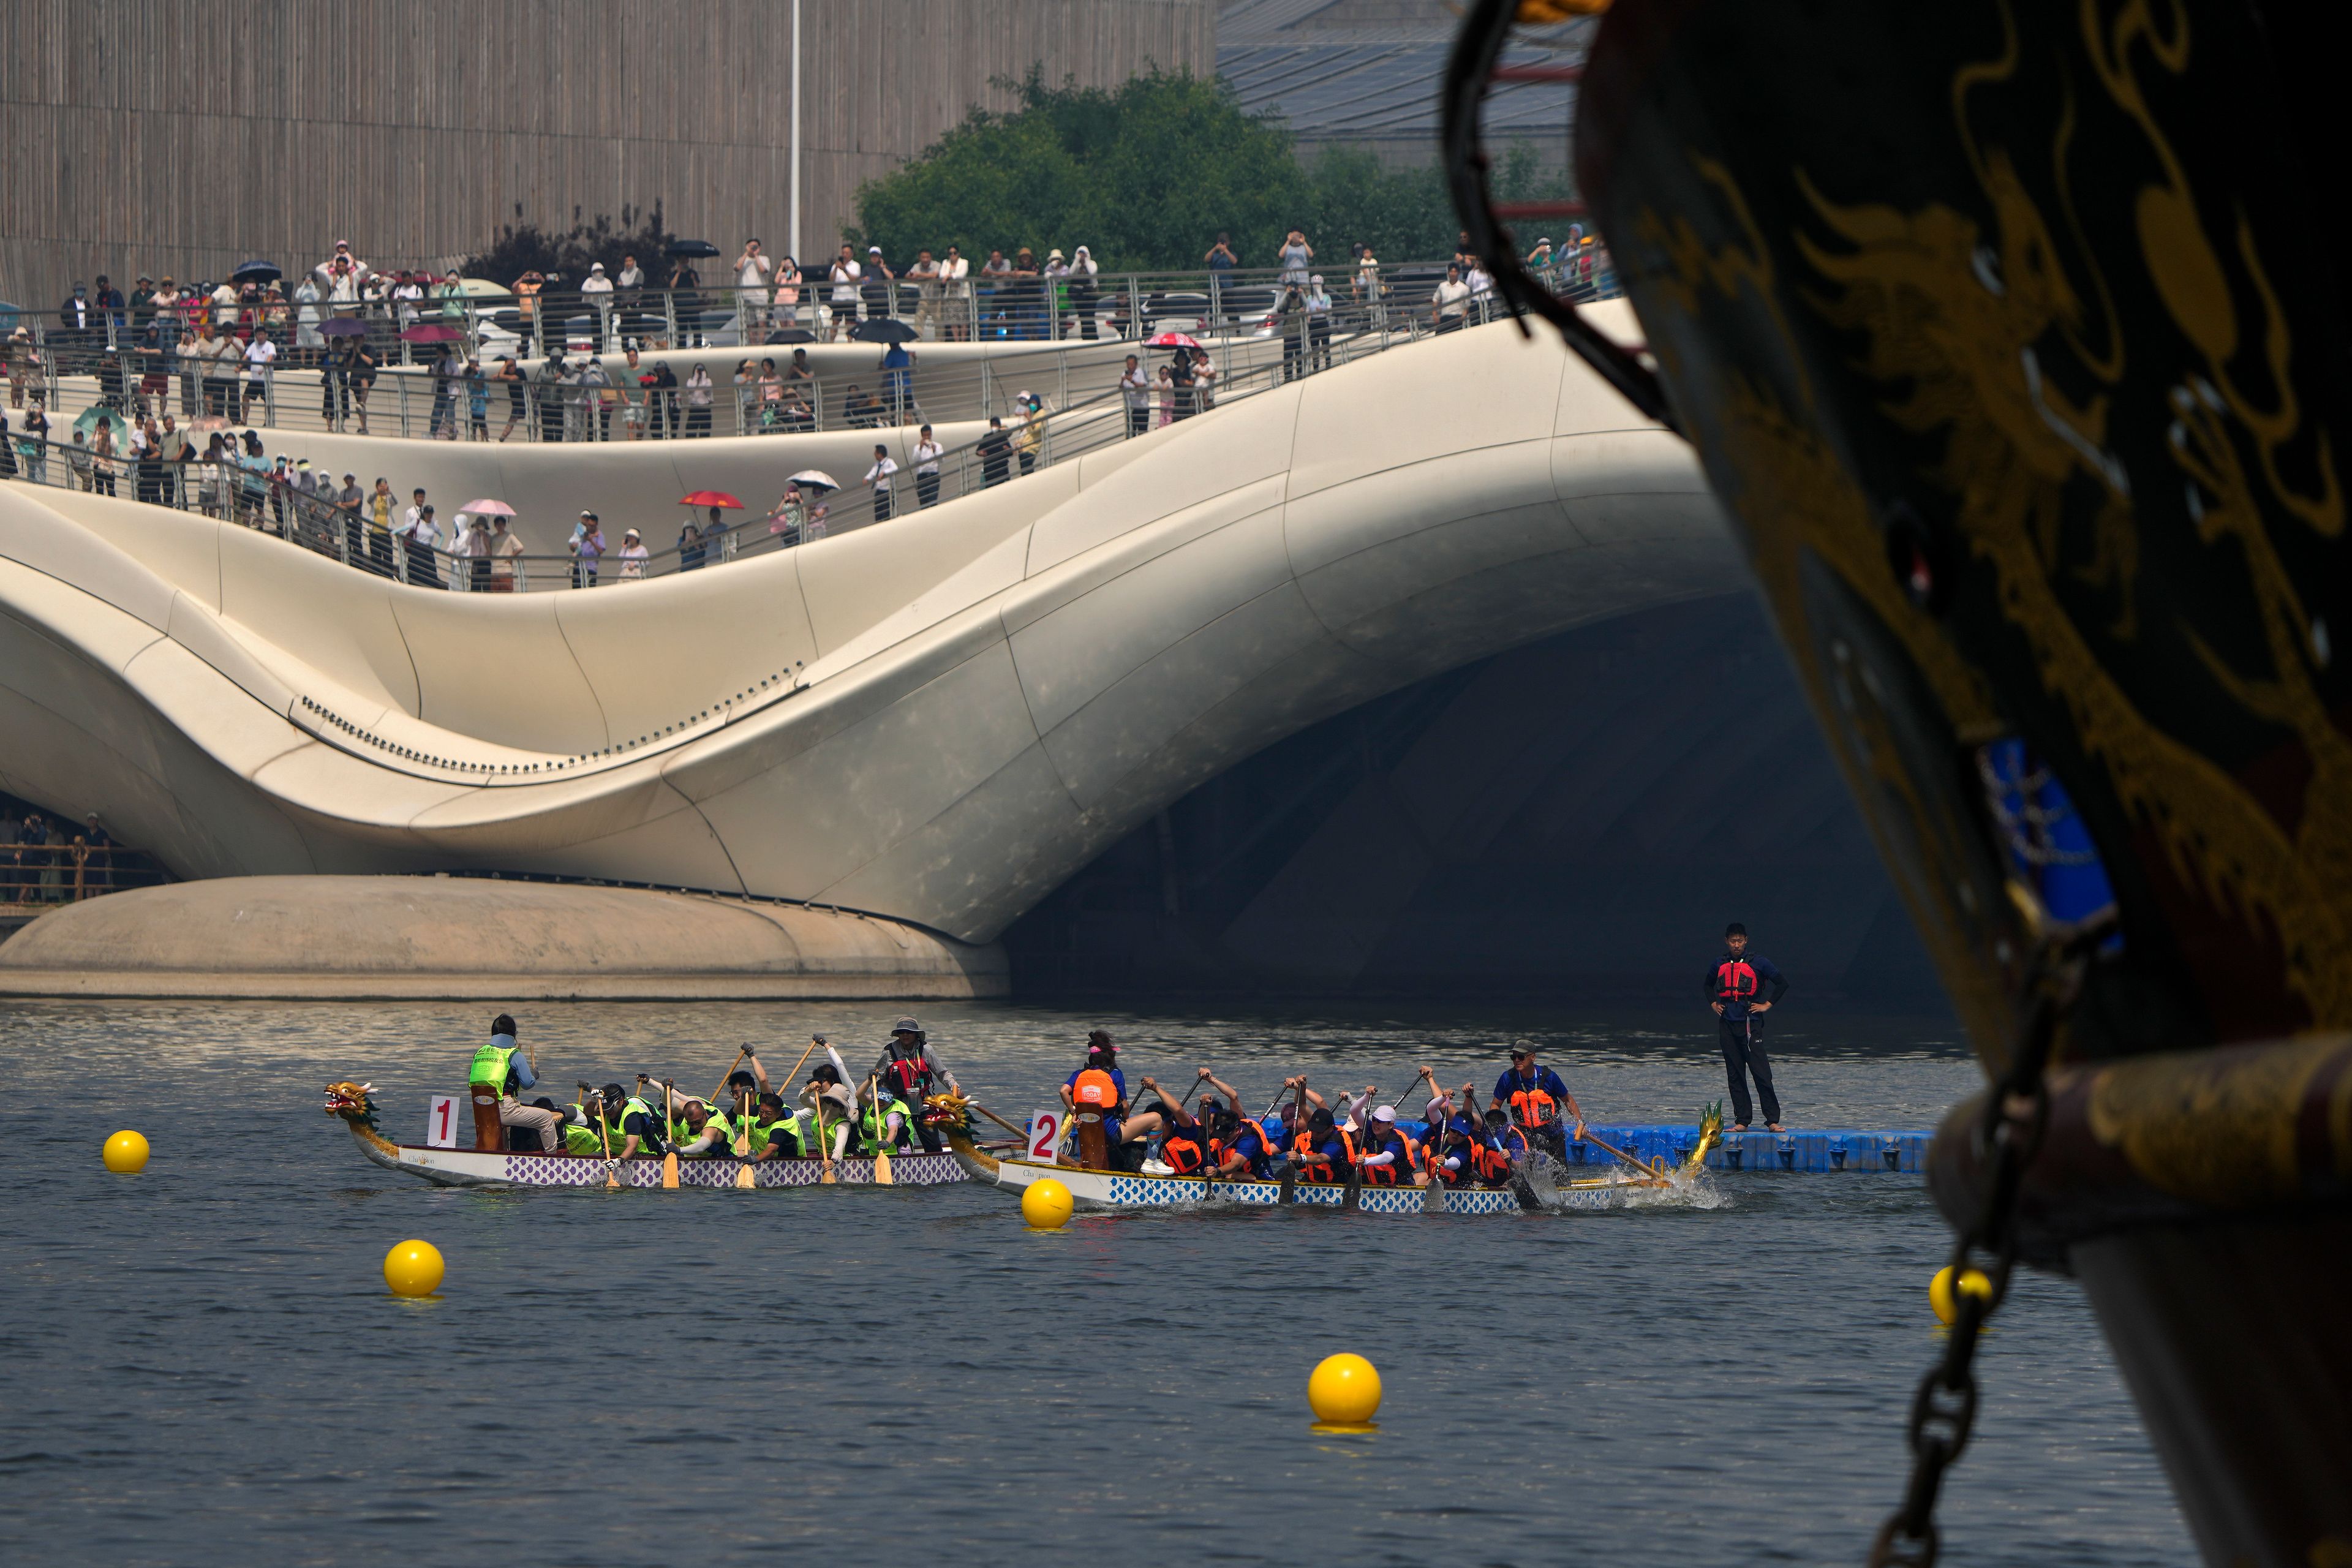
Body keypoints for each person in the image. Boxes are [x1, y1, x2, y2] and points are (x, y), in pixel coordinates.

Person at [1707, 922, 1788, 1132]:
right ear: (1727, 941)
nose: (1736, 945)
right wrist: (1714, 1003)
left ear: (1746, 941)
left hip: (1750, 1025)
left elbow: (1782, 983)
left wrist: (1766, 1005)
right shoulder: (1719, 963)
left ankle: (1772, 1121)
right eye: (1733, 941)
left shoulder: (1759, 962)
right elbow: (1707, 984)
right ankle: (1742, 1121)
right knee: (1735, 1074)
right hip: (1727, 1026)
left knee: (1761, 1073)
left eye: (1740, 941)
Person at [1058, 1030, 1162, 1169]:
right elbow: (1125, 1107)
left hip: (1087, 1133)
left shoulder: (1079, 1074)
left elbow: (1063, 1091)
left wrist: (1073, 1112)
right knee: (1156, 1119)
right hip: (1111, 1134)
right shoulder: (1115, 1074)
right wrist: (1125, 1118)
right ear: (1109, 1056)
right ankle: (1152, 1162)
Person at [467, 1013, 567, 1154]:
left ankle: (501, 1154)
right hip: (504, 1109)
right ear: (513, 1035)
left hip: (481, 1110)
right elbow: (527, 1084)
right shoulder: (514, 1054)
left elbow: (494, 1081)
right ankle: (552, 1160)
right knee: (546, 1118)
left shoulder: (480, 1052)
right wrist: (534, 1075)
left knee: (506, 1123)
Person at [869, 1016, 957, 1151]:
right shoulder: (888, 1052)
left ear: (916, 1034)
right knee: (900, 1142)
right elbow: (878, 1078)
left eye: (909, 1032)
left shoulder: (926, 1050)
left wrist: (954, 1087)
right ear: (898, 1035)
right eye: (902, 1032)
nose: (905, 1035)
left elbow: (942, 1073)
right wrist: (875, 1102)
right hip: (899, 1106)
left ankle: (935, 1166)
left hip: (923, 1104)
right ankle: (903, 1165)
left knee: (933, 1143)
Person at [1493, 1042, 1583, 1161]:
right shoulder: (1507, 1078)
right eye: (1513, 1057)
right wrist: (1495, 1127)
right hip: (1525, 1135)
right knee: (1523, 1175)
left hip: (1552, 1135)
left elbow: (1568, 1100)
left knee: (1560, 1177)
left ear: (1533, 1057)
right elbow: (1496, 1105)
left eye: (1521, 1057)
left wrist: (1580, 1123)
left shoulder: (1550, 1077)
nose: (1516, 1060)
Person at [1432, 264, 1472, 333]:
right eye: (1451, 272)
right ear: (1448, 273)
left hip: (1457, 317)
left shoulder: (1465, 288)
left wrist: (1463, 317)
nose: (1453, 274)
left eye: (1455, 272)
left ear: (1458, 273)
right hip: (1444, 317)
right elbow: (1435, 300)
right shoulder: (1442, 286)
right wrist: (1435, 315)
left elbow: (1467, 305)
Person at [864, 443, 898, 521]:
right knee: (878, 513)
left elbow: (895, 468)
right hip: (879, 490)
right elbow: (873, 472)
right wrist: (867, 478)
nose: (874, 455)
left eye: (876, 453)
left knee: (885, 513)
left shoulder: (889, 461)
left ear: (880, 454)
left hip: (886, 491)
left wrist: (885, 472)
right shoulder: (877, 464)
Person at [911, 424, 943, 509]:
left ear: (931, 434)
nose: (927, 437)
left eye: (928, 435)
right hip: (922, 476)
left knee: (933, 501)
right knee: (923, 502)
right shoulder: (917, 447)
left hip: (933, 475)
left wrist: (935, 450)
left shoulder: (938, 446)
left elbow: (941, 460)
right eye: (925, 435)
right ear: (922, 436)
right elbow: (915, 460)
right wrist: (921, 448)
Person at [977, 417, 1011, 488]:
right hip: (989, 466)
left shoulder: (1002, 436)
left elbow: (1010, 451)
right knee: (989, 486)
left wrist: (1007, 449)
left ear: (999, 425)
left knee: (1000, 486)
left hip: (1000, 466)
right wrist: (981, 453)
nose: (994, 426)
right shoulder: (986, 437)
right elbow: (978, 451)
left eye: (996, 424)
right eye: (992, 424)